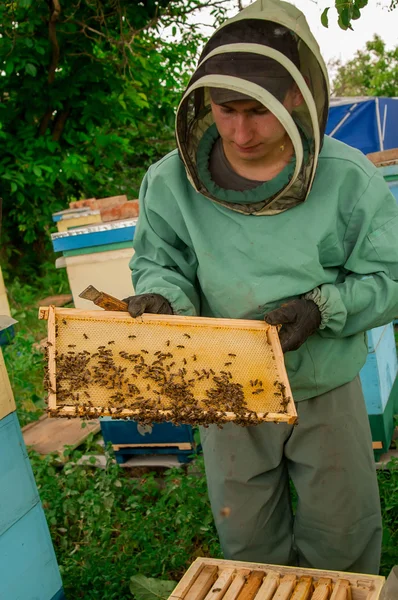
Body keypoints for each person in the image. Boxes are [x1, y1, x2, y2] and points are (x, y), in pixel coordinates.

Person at [123, 0, 398, 574]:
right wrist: (161, 299)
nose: (241, 132)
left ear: (296, 98)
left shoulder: (349, 180)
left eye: (257, 110)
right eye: (226, 111)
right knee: (247, 543)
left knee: (343, 541)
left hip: (324, 385)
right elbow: (161, 263)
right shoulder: (169, 182)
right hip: (226, 389)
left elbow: (389, 277)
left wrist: (322, 309)